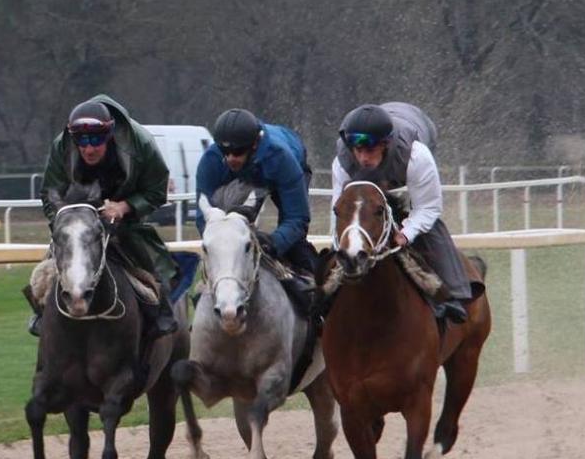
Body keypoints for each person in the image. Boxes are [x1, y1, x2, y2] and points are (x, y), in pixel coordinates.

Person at [27, 94, 179, 338]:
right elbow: (49, 194)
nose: (88, 148)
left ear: (109, 134)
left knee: (150, 260)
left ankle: (162, 311)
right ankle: (40, 312)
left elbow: (157, 190)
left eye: (96, 140)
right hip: (77, 215)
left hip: (125, 219)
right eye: (81, 140)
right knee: (49, 265)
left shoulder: (141, 144)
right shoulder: (61, 146)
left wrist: (124, 207)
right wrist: (64, 222)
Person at [330, 102, 477, 323]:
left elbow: (428, 207)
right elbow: (340, 209)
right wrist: (341, 245)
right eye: (357, 150)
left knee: (430, 229)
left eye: (370, 150)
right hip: (386, 127)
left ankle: (454, 295)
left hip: (420, 126)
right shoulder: (342, 161)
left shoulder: (417, 155)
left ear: (385, 144)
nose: (363, 158)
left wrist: (406, 233)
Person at [194, 108, 317, 277]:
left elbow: (297, 219)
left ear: (254, 145)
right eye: (225, 152)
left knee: (294, 245)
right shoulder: (211, 160)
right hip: (247, 172)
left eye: (238, 152)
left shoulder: (281, 157)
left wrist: (271, 243)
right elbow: (203, 216)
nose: (230, 158)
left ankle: (313, 283)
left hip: (284, 168)